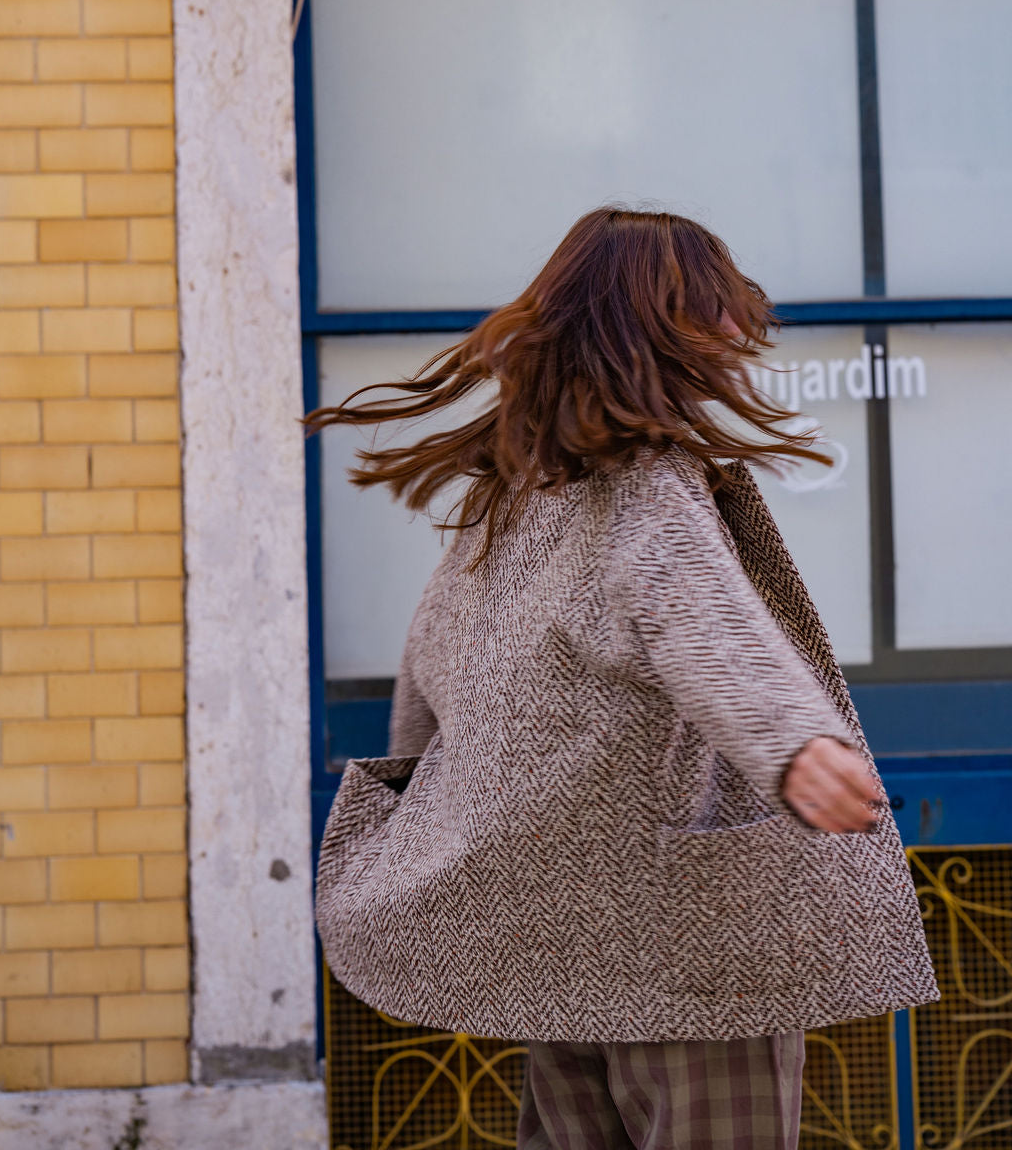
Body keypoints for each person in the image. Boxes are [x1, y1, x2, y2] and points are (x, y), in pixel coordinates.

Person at [309, 207, 938, 1150]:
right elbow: (698, 612)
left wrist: (428, 832)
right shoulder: (646, 480)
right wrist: (795, 744)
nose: (738, 330)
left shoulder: (510, 497)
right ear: (659, 323)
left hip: (558, 948)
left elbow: (431, 680)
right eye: (715, 307)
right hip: (688, 953)